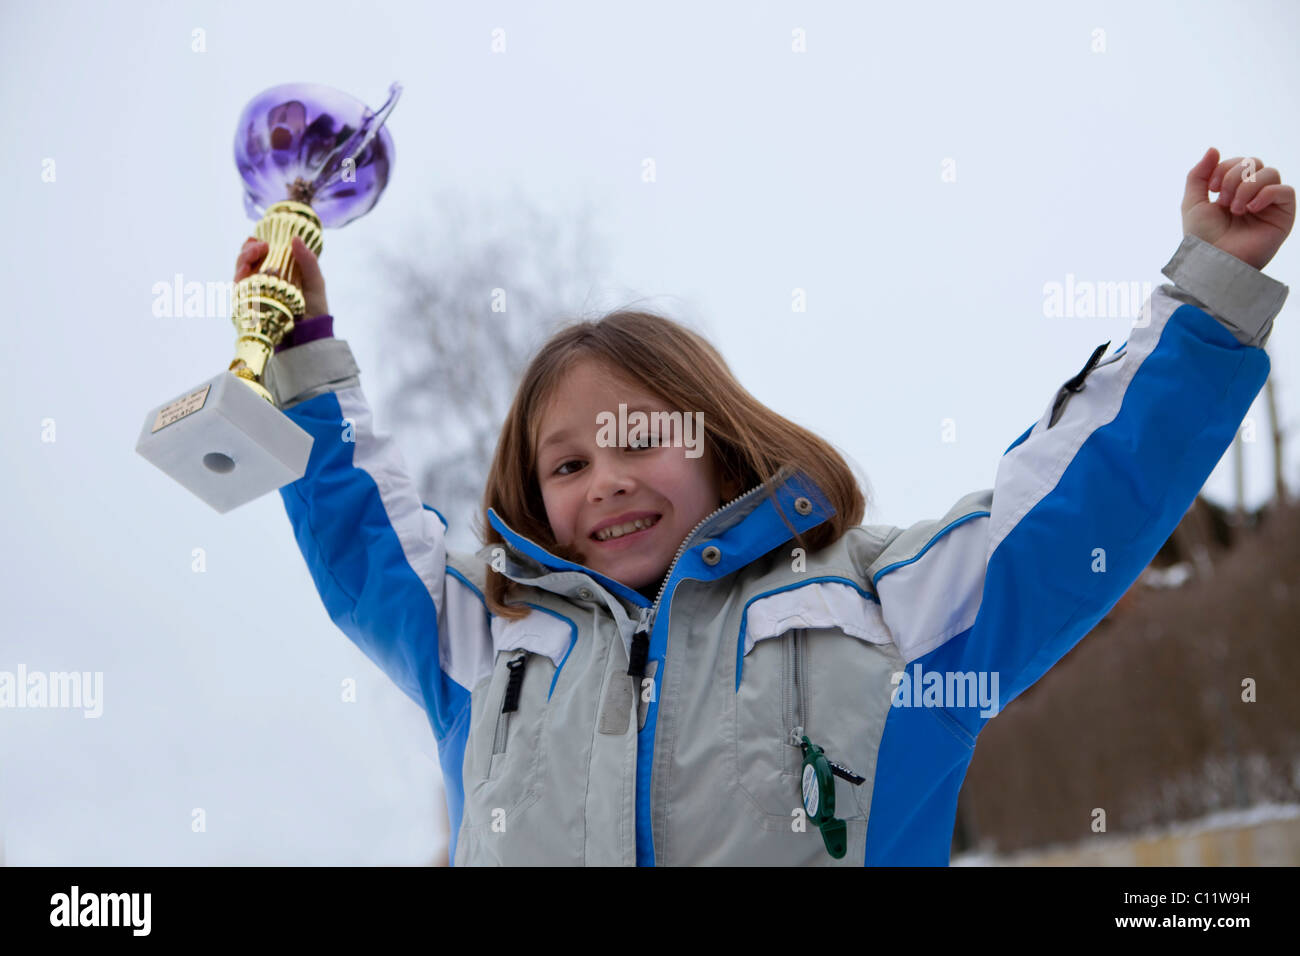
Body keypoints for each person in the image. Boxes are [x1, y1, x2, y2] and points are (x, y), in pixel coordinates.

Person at [236, 147, 1293, 866]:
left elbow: (1072, 505)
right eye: (564, 465)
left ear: (717, 442)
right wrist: (296, 359)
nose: (603, 477)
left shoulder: (883, 607)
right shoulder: (481, 637)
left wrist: (1208, 295)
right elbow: (360, 532)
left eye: (639, 436)